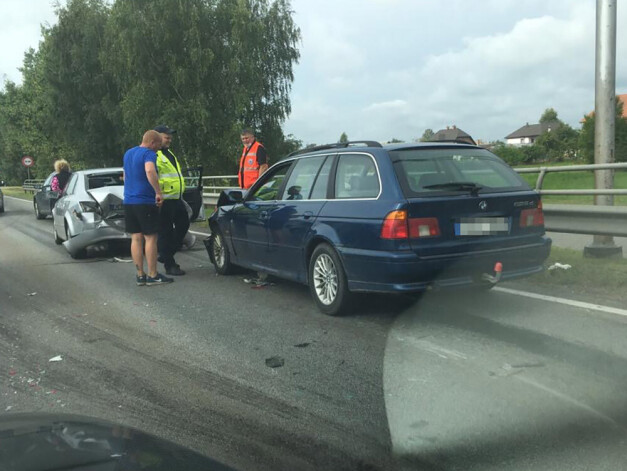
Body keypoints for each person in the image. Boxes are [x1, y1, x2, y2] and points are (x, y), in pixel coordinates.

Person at [123, 130, 173, 286]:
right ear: (152, 143)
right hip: (144, 201)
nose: (159, 148)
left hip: (129, 201)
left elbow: (125, 175)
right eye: (158, 145)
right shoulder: (149, 154)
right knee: (150, 237)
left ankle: (140, 275)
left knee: (136, 238)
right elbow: (150, 170)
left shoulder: (129, 153)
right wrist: (158, 192)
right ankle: (153, 274)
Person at [153, 125, 189, 276]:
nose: (169, 139)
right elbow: (152, 176)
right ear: (157, 137)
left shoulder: (169, 153)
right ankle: (169, 264)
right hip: (164, 199)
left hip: (176, 197)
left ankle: (166, 254)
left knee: (184, 224)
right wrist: (157, 195)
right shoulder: (154, 155)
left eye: (170, 137)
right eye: (166, 137)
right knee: (165, 232)